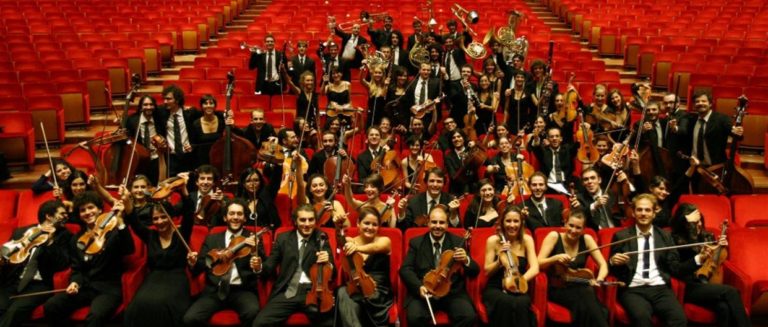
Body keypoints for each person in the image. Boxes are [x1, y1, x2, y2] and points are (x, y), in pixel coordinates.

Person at [43, 191, 135, 327]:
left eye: (91, 207)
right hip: (85, 287)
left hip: (108, 289)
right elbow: (76, 268)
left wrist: (121, 222)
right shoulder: (76, 239)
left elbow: (129, 249)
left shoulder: (114, 232)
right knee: (52, 306)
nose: (87, 212)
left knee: (96, 316)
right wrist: (75, 282)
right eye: (82, 210)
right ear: (79, 215)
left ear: (99, 209)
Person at [608, 193, 700, 327]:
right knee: (642, 319)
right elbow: (611, 268)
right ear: (633, 213)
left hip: (660, 288)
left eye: (647, 210)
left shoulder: (665, 236)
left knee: (679, 320)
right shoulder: (621, 236)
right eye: (639, 210)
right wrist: (612, 261)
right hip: (633, 289)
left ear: (654, 213)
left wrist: (698, 259)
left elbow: (675, 267)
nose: (643, 213)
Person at [124, 173, 194, 327]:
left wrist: (183, 190)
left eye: (163, 217)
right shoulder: (150, 235)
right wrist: (126, 200)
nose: (160, 221)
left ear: (171, 217)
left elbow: (189, 211)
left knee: (163, 305)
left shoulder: (182, 233)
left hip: (176, 278)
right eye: (156, 218)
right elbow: (133, 220)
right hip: (154, 278)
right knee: (138, 305)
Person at [184, 198, 264, 326]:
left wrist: (256, 263)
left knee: (252, 312)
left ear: (244, 218)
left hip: (242, 290)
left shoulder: (252, 238)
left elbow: (262, 267)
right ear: (225, 217)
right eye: (231, 213)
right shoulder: (212, 238)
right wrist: (193, 262)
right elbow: (201, 265)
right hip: (215, 290)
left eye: (239, 214)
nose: (235, 217)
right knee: (190, 318)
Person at [253, 204, 334, 327]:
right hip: (286, 291)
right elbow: (269, 265)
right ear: (295, 221)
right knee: (259, 323)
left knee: (330, 323)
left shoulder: (321, 238)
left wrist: (328, 263)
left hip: (312, 293)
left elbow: (334, 271)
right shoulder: (283, 239)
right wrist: (259, 267)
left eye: (311, 219)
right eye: (302, 220)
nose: (307, 224)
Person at [670, 204, 750, 327]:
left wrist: (721, 246)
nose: (699, 224)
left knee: (723, 307)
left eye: (700, 220)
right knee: (731, 292)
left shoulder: (707, 236)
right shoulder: (675, 239)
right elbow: (692, 253)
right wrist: (692, 228)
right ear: (684, 223)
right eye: (694, 222)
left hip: (706, 284)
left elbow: (714, 260)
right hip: (687, 286)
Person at [400, 205, 478, 327]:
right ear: (428, 223)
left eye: (442, 222)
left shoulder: (458, 242)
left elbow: (474, 271)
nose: (437, 226)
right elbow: (405, 269)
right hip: (426, 291)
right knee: (414, 317)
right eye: (434, 222)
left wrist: (466, 260)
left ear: (447, 224)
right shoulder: (416, 242)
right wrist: (419, 287)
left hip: (452, 292)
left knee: (468, 316)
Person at [0, 200, 71, 327]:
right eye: (62, 214)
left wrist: (50, 242)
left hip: (39, 284)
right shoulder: (21, 232)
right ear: (49, 216)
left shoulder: (65, 236)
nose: (66, 216)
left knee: (14, 312)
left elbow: (62, 263)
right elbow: (7, 255)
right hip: (14, 281)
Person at [537, 210, 610, 327]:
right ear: (565, 223)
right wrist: (555, 258)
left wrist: (600, 279)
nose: (573, 230)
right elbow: (538, 264)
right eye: (571, 225)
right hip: (558, 288)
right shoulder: (553, 236)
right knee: (595, 305)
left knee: (586, 298)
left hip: (580, 285)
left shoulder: (587, 239)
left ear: (583, 229)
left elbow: (603, 265)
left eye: (578, 228)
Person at [482, 205, 539, 327]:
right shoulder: (493, 240)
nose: (512, 225)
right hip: (496, 288)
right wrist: (499, 260)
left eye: (516, 221)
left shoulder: (527, 240)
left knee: (522, 303)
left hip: (519, 286)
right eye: (508, 221)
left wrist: (520, 281)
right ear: (502, 222)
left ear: (521, 223)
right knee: (506, 302)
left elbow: (535, 268)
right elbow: (487, 271)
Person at [336, 207, 393, 327]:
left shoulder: (385, 241)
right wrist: (338, 226)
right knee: (343, 292)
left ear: (379, 227)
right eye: (366, 223)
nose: (370, 227)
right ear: (358, 223)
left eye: (374, 224)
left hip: (378, 291)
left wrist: (357, 248)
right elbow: (341, 240)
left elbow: (376, 248)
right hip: (356, 286)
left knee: (346, 297)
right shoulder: (351, 240)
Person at [674, 91, 743, 168]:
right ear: (694, 105)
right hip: (693, 165)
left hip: (715, 166)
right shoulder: (691, 120)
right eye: (697, 101)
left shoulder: (721, 119)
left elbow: (736, 135)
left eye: (703, 101)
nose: (700, 103)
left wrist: (738, 131)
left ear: (710, 104)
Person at [397, 167, 461, 229]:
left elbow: (456, 230)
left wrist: (453, 215)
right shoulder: (413, 201)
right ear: (426, 182)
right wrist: (401, 213)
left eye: (439, 181)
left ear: (443, 183)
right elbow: (405, 229)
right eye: (432, 181)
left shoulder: (450, 200)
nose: (435, 184)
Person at [159, 84, 199, 176]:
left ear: (177, 100)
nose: (165, 101)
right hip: (170, 157)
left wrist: (225, 114)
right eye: (164, 99)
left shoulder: (190, 112)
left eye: (169, 99)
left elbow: (208, 112)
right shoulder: (161, 112)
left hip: (188, 156)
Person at [126, 95, 166, 184]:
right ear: (140, 107)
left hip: (156, 158)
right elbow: (128, 140)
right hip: (140, 159)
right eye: (145, 105)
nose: (149, 107)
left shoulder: (159, 118)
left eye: (151, 104)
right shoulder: (132, 120)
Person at [191, 95, 228, 166]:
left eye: (211, 103)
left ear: (215, 106)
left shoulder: (222, 121)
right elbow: (194, 144)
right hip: (202, 161)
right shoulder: (196, 124)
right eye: (205, 103)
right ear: (201, 106)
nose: (208, 106)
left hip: (220, 159)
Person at [403, 62, 441, 128]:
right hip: (415, 115)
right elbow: (407, 100)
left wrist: (434, 103)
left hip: (429, 116)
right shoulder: (411, 83)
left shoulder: (436, 82)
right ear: (419, 70)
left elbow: (441, 96)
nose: (426, 72)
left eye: (428, 70)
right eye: (424, 69)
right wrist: (411, 107)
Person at [444, 130, 479, 195]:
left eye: (459, 136)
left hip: (473, 187)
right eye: (453, 138)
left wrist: (475, 146)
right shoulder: (448, 157)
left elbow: (485, 161)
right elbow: (453, 176)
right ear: (451, 141)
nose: (456, 139)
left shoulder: (471, 151)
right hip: (457, 189)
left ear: (463, 138)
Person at [323, 65, 355, 129]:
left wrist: (352, 116)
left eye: (338, 73)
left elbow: (349, 100)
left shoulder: (347, 84)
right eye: (333, 73)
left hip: (345, 112)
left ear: (341, 74)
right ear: (331, 76)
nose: (336, 75)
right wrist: (324, 82)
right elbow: (321, 93)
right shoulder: (329, 86)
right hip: (332, 113)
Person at [360, 63, 388, 127]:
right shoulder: (370, 85)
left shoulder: (385, 85)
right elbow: (361, 80)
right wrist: (363, 67)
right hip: (371, 115)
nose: (377, 74)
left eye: (379, 73)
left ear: (383, 74)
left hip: (382, 116)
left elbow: (382, 94)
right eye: (376, 72)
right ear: (373, 74)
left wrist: (386, 86)